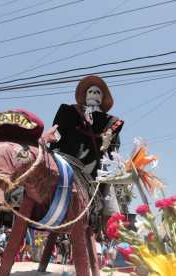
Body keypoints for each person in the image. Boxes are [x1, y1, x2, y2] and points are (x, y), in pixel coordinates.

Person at [46, 75, 124, 229]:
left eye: (97, 92)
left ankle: (103, 223)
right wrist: (49, 138)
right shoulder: (69, 112)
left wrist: (109, 143)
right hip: (69, 161)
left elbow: (115, 147)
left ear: (101, 99)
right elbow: (57, 131)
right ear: (85, 95)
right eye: (91, 91)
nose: (93, 94)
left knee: (108, 195)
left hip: (96, 167)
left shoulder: (111, 121)